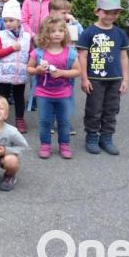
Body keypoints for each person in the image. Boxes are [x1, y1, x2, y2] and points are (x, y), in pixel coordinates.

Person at [76, 0, 129, 155]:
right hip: (95, 79)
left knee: (111, 109)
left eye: (114, 12)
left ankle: (106, 138)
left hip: (115, 80)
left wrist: (125, 79)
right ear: (97, 11)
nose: (110, 16)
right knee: (94, 109)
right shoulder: (88, 32)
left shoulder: (120, 33)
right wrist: (84, 79)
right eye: (107, 12)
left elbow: (123, 56)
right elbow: (82, 56)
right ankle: (92, 137)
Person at [27, 17, 82, 159]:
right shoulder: (38, 52)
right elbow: (29, 68)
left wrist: (63, 73)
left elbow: (77, 71)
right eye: (53, 31)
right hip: (43, 94)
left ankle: (64, 145)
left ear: (65, 33)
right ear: (46, 33)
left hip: (63, 94)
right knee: (44, 121)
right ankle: (45, 145)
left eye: (60, 31)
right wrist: (38, 70)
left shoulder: (70, 53)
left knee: (64, 122)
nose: (57, 34)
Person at [0, 0, 33, 133]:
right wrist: (12, 48)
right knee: (2, 97)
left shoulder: (27, 36)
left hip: (20, 73)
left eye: (11, 20)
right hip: (4, 74)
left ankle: (20, 119)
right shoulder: (0, 35)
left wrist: (37, 61)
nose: (8, 23)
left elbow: (31, 52)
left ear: (19, 20)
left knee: (19, 96)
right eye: (6, 20)